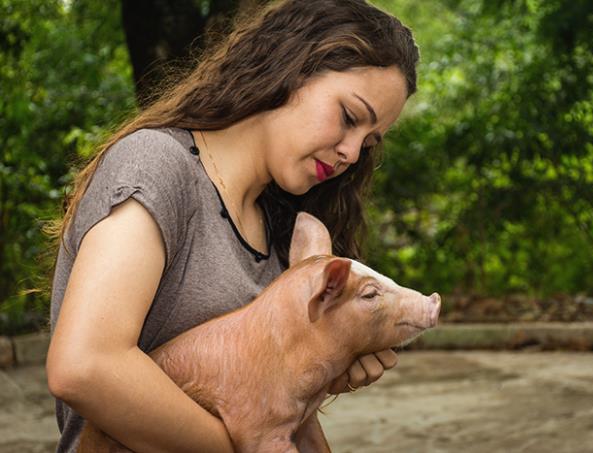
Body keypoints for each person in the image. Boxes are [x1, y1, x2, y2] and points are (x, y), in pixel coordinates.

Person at [45, 0, 419, 451]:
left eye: (369, 141)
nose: (352, 153)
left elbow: (251, 393)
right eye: (349, 117)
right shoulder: (159, 165)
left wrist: (325, 362)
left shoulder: (282, 224)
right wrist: (247, 443)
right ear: (291, 67)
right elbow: (85, 365)